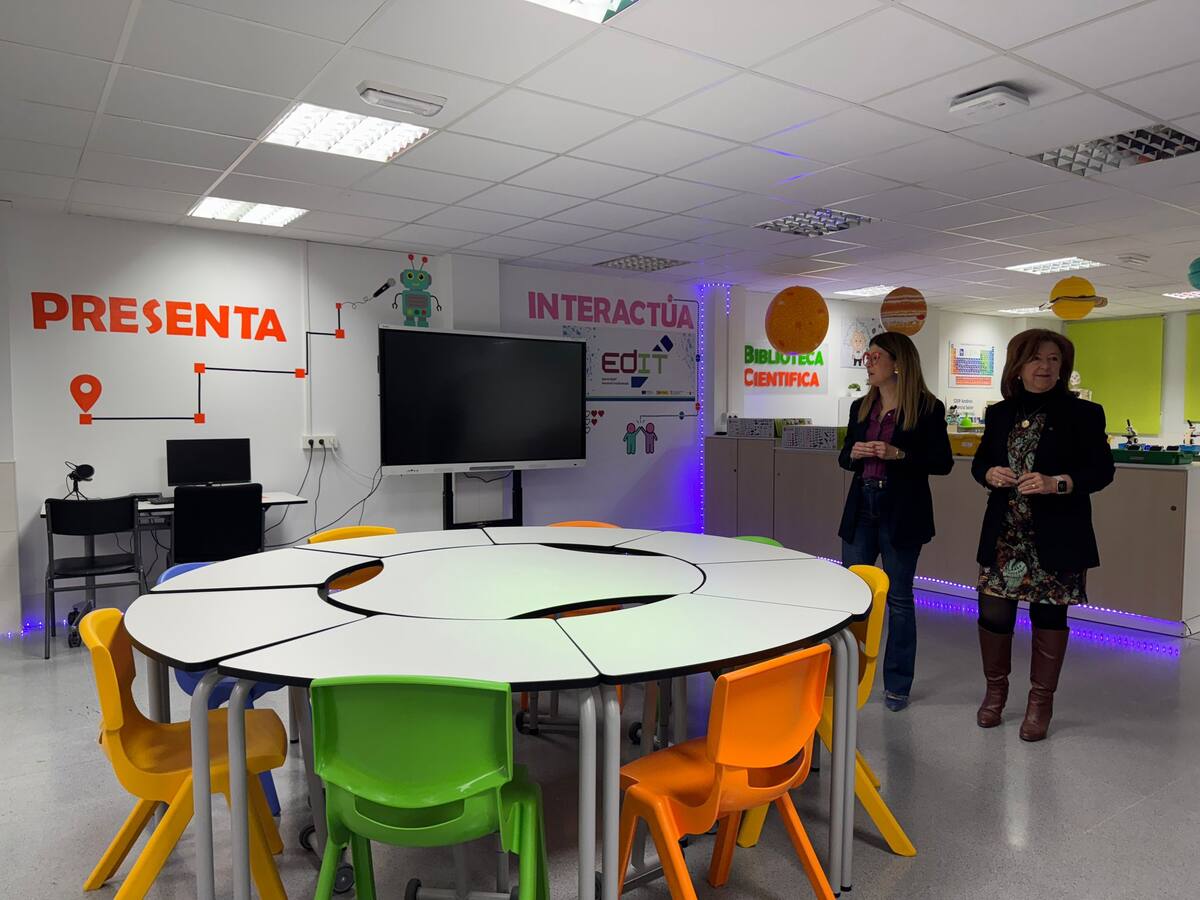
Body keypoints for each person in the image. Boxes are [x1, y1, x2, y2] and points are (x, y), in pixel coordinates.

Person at [971, 329, 1114, 742]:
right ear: (1017, 365)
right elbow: (980, 462)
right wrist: (989, 473)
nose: (1045, 367)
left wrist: (1058, 483)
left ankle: (1040, 703)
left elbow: (1101, 471)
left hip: (1056, 535)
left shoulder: (1084, 414)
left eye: (1054, 359)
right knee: (994, 614)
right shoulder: (1000, 413)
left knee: (1048, 617)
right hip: (1005, 535)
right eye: (1036, 358)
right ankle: (995, 693)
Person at [839, 331, 952, 711]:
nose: (868, 363)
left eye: (876, 357)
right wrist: (855, 453)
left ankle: (897, 685)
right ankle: (847, 677)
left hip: (901, 510)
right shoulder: (861, 407)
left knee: (899, 600)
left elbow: (942, 462)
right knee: (852, 596)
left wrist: (898, 454)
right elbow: (844, 458)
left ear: (898, 363)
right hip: (862, 506)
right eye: (867, 357)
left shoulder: (927, 408)